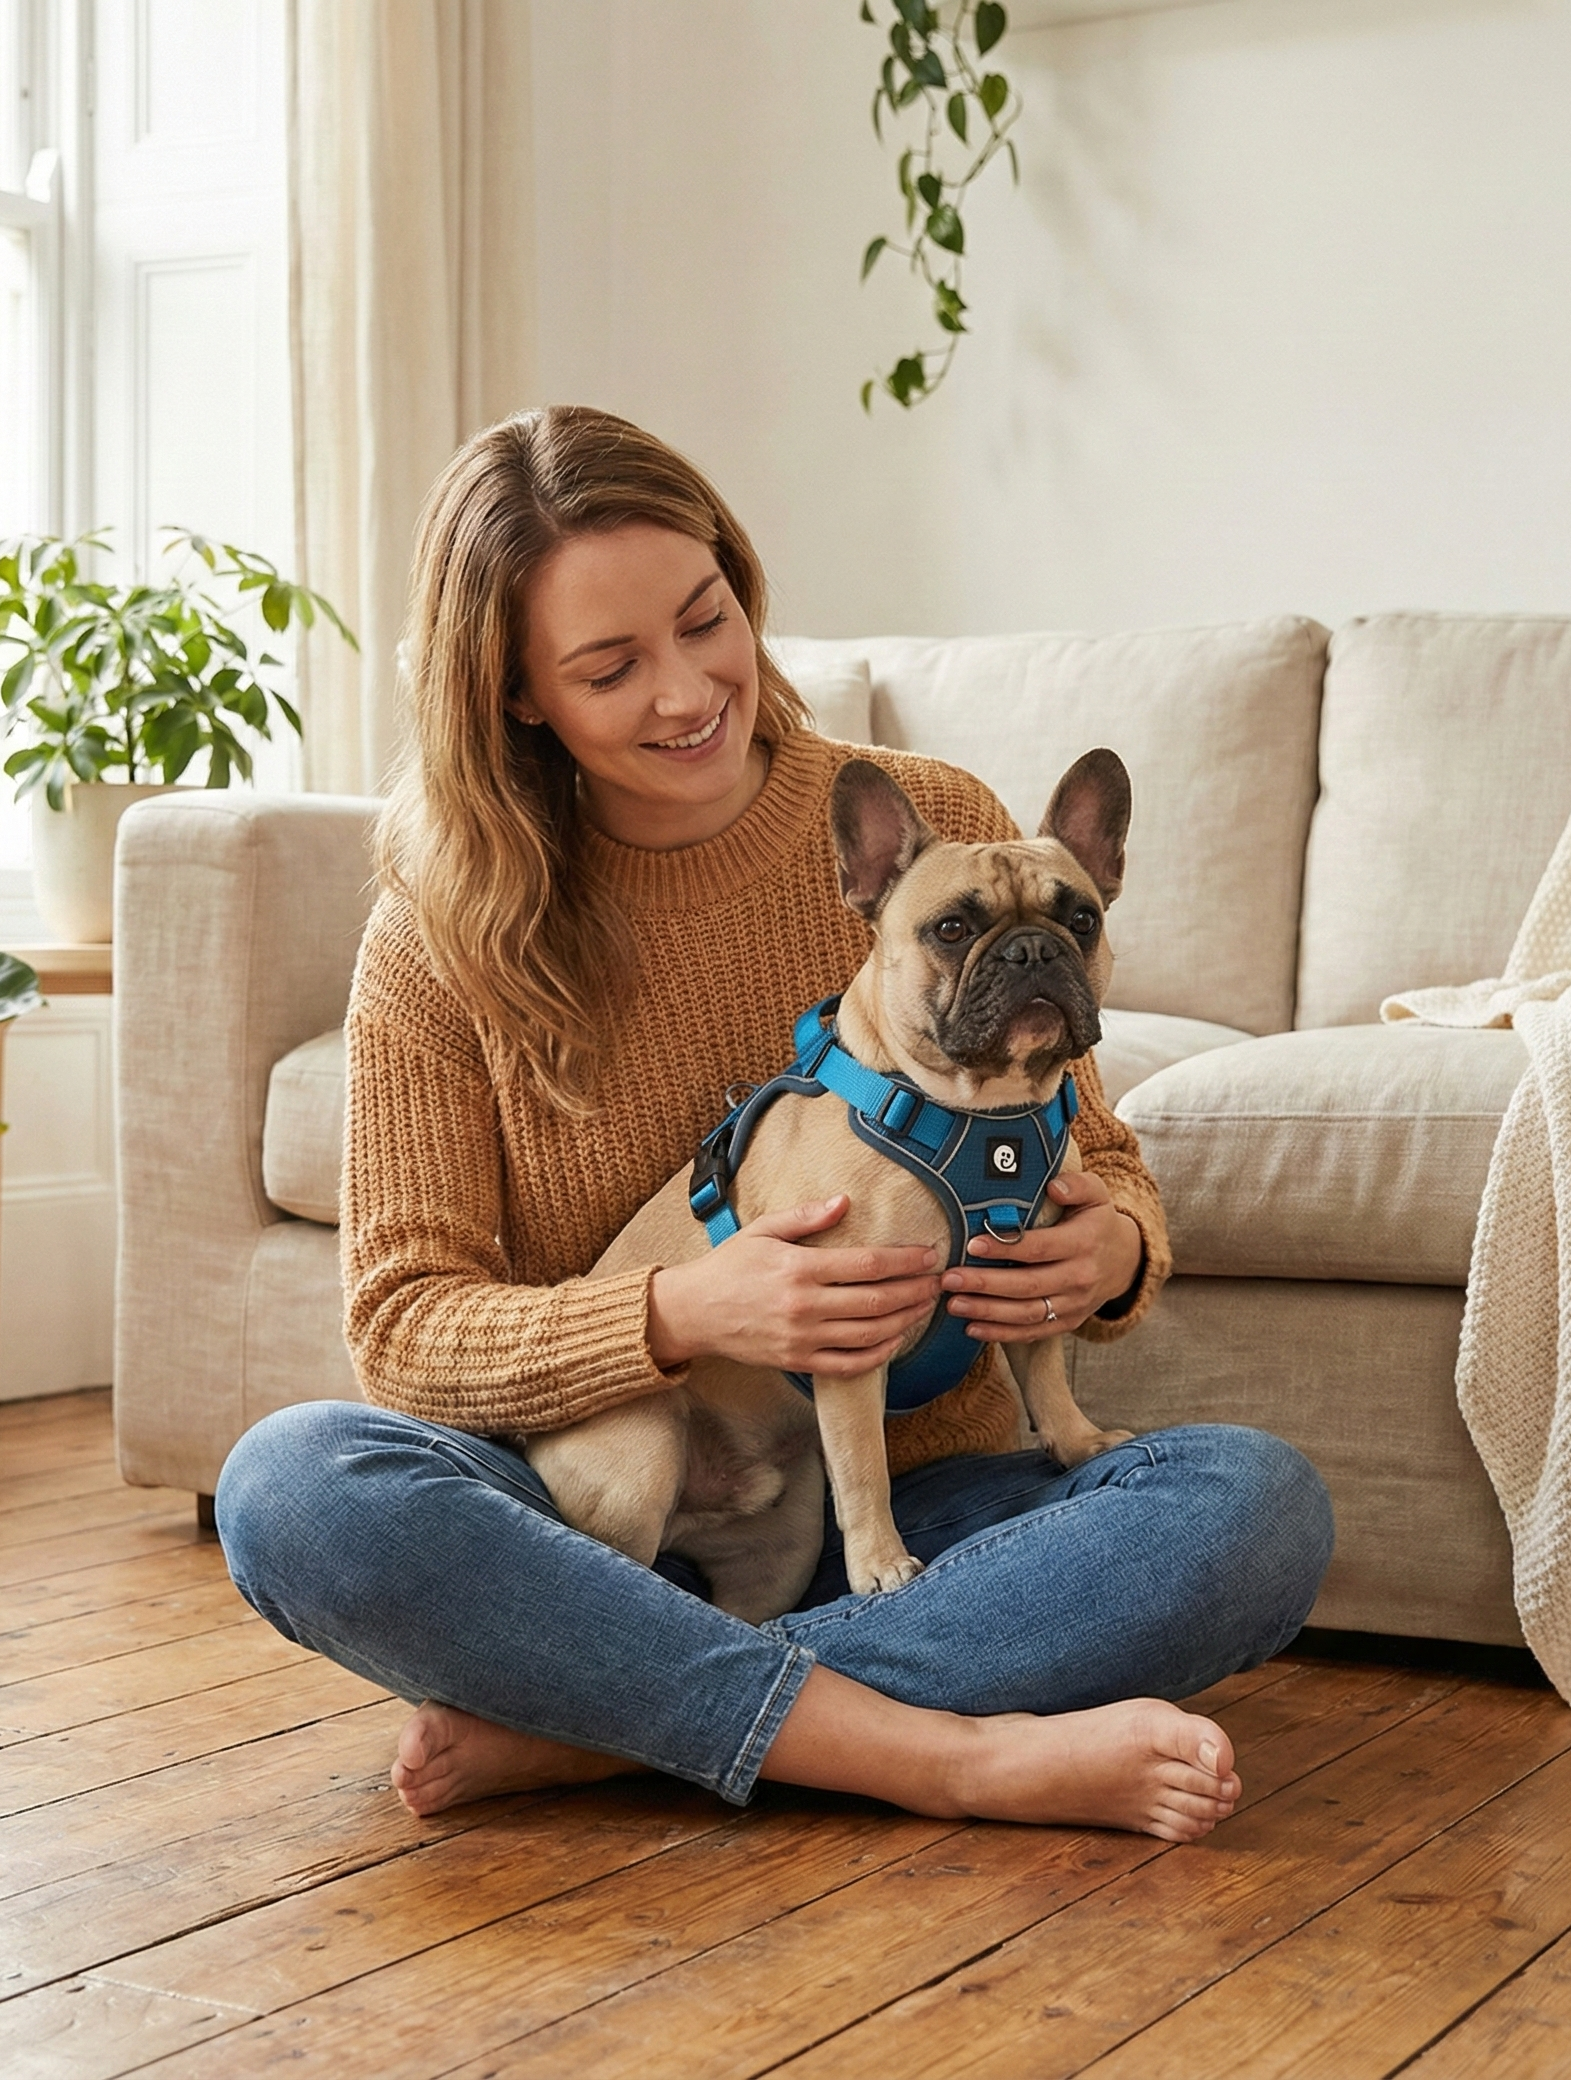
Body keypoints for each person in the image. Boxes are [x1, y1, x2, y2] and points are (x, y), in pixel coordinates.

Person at [216, 406, 1333, 1842]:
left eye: (707, 619)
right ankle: (939, 1753)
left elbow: (1091, 1147)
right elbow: (405, 1328)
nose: (689, 691)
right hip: (604, 1516)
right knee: (298, 1488)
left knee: (1255, 1509)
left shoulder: (930, 816)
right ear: (515, 696)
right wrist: (683, 1310)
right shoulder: (441, 936)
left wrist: (1109, 1249)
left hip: (917, 1520)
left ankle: (604, 1725)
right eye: (612, 666)